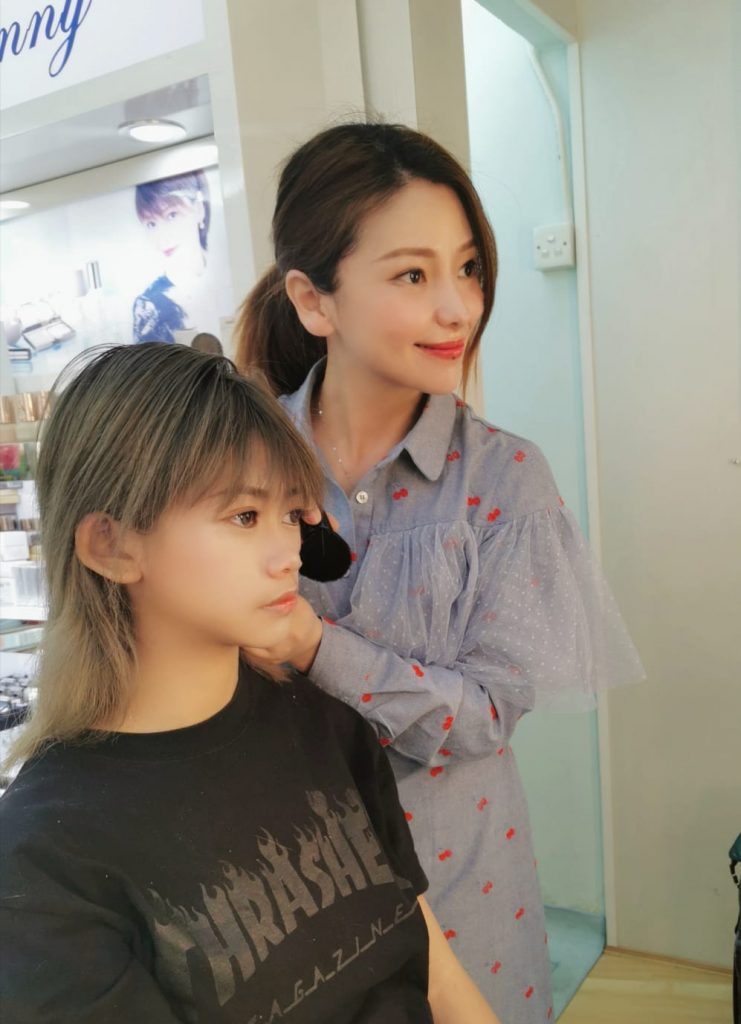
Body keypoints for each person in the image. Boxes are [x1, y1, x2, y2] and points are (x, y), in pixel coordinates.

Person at [234, 121, 644, 1023]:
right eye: (412, 276)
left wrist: (315, 646)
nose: (458, 309)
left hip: (461, 890)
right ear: (312, 300)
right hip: (276, 889)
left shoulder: (504, 478)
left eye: (467, 269)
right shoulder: (237, 463)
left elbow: (487, 714)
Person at [0, 344, 500, 1024]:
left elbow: (425, 952)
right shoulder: (45, 861)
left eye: (291, 514)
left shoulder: (326, 726)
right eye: (244, 516)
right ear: (111, 546)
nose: (288, 553)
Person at [132, 170, 211, 344]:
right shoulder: (149, 305)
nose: (162, 237)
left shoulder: (232, 274)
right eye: (151, 224)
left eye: (172, 215)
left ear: (199, 210)